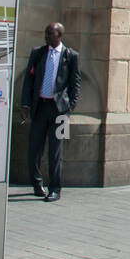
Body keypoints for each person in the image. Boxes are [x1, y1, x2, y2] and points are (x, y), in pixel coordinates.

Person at [21, 22, 81, 201]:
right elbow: (28, 81)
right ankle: (37, 183)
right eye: (46, 33)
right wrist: (25, 104)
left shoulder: (71, 56)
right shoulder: (38, 53)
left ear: (59, 35)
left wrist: (70, 106)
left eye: (50, 34)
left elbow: (75, 83)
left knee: (56, 151)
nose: (46, 36)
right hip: (40, 107)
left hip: (60, 111)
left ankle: (55, 188)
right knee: (34, 148)